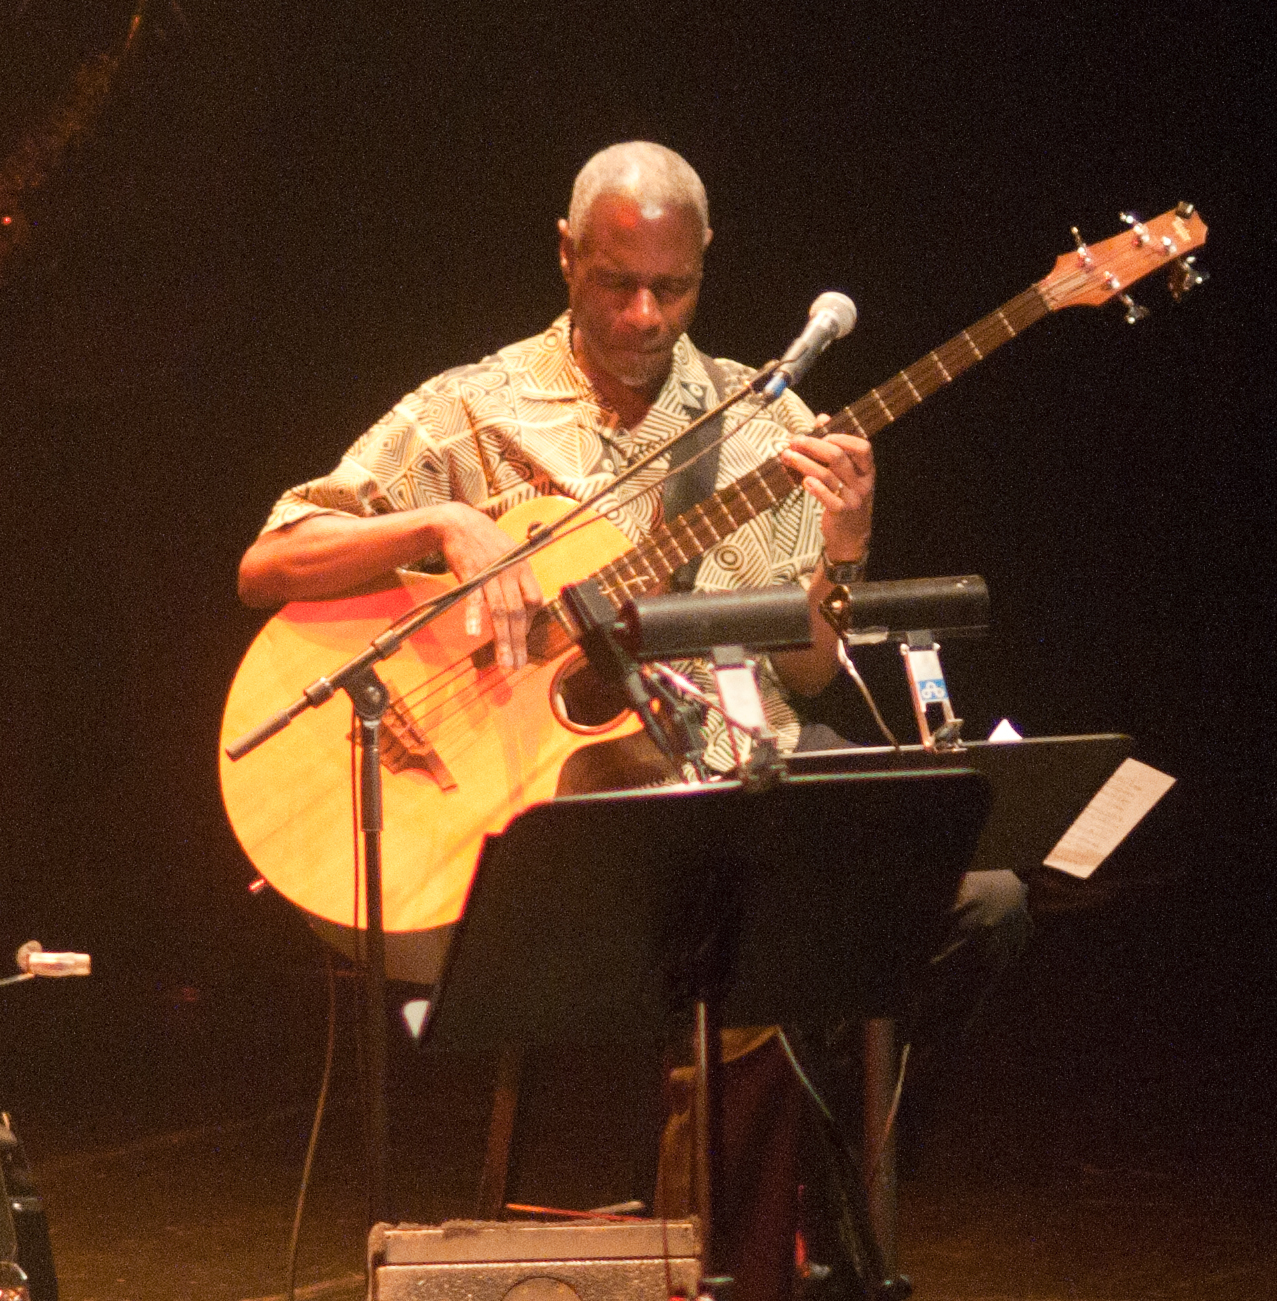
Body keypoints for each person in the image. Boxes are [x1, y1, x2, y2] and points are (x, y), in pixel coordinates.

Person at [238, 140, 1025, 1301]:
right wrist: (442, 526)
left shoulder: (765, 422)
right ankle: (759, 1260)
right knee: (747, 929)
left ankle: (805, 1228)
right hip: (552, 846)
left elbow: (805, 673)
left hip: (725, 800)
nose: (645, 313)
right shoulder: (472, 408)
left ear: (707, 266)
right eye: (616, 282)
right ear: (565, 256)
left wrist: (844, 552)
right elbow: (271, 561)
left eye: (673, 286)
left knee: (977, 902)